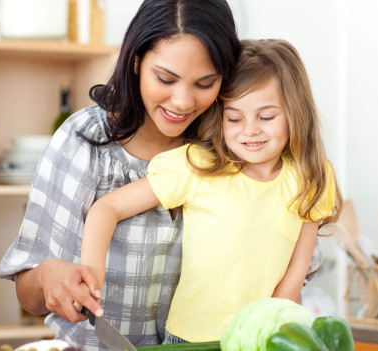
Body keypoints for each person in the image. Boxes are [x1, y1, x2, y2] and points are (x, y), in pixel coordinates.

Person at [0, 0, 240, 348]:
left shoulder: (230, 149)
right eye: (166, 79)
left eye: (205, 83)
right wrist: (49, 275)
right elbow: (28, 296)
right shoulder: (85, 141)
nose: (183, 101)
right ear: (136, 61)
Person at [80, 39, 343, 344]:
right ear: (220, 116)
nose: (250, 130)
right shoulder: (198, 166)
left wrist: (264, 329)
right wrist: (91, 276)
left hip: (260, 339)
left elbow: (297, 270)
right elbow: (107, 208)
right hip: (190, 340)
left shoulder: (311, 175)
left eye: (267, 117)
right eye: (234, 118)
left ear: (294, 113)